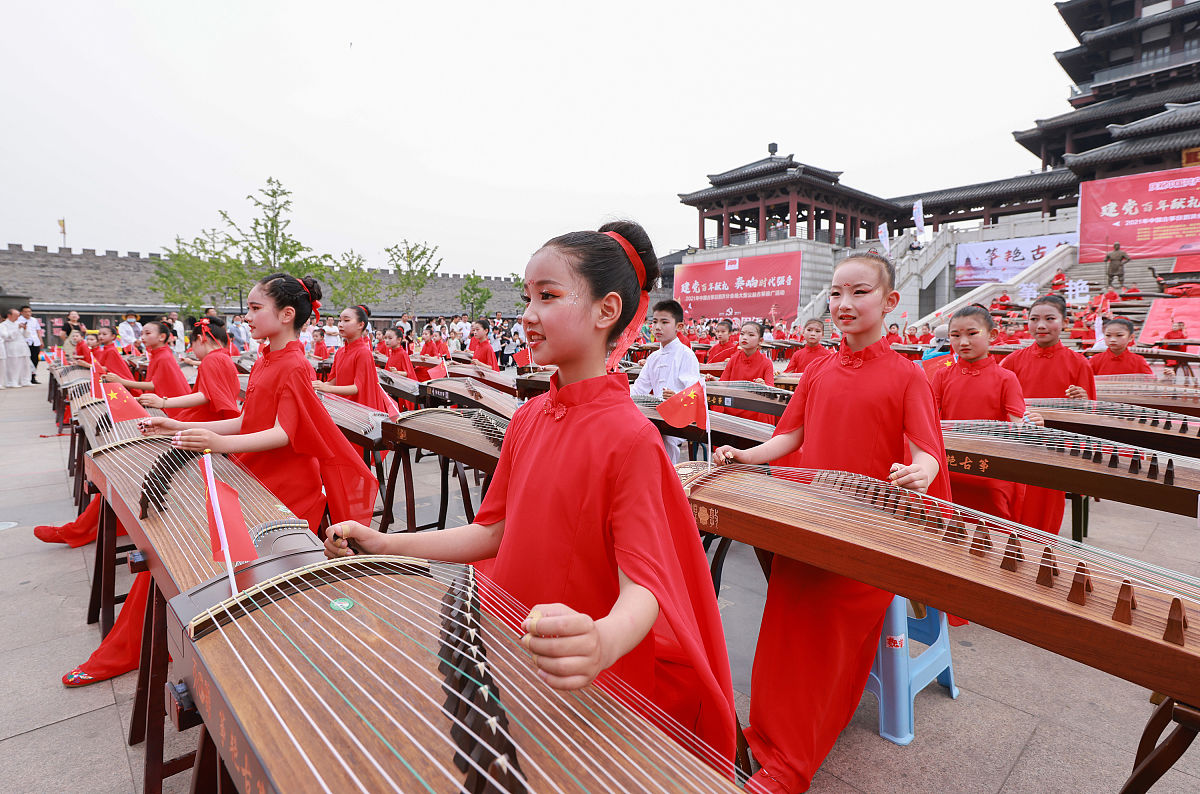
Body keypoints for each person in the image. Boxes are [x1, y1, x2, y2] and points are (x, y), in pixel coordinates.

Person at [325, 220, 736, 767]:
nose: (527, 313)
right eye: (527, 297)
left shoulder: (631, 437)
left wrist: (605, 640)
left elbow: (647, 585)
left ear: (606, 311)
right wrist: (382, 543)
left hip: (580, 673)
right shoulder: (528, 417)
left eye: (548, 296)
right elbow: (491, 532)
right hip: (509, 647)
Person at [711, 251, 949, 794]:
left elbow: (927, 452)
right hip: (814, 521)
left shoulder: (908, 375)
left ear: (890, 302)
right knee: (784, 621)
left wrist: (919, 471)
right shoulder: (817, 370)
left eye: (859, 293)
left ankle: (792, 760)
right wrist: (747, 457)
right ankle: (772, 736)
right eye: (836, 293)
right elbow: (791, 436)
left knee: (824, 626)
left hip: (867, 533)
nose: (844, 304)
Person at [1000, 294, 1096, 534]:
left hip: (1055, 445)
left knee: (1043, 505)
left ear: (1064, 322)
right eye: (1034, 319)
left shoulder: (1079, 363)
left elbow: (1091, 415)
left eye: (1049, 318)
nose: (1040, 325)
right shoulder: (1013, 360)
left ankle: (1040, 547)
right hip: (1017, 443)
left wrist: (1082, 401)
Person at [931, 305, 1029, 521]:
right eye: (955, 336)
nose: (963, 342)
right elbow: (930, 419)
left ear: (992, 335)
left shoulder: (1006, 378)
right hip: (950, 462)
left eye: (972, 334)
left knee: (993, 522)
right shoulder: (942, 376)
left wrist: (1030, 424)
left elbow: (1018, 425)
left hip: (991, 466)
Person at [630, 299, 702, 464]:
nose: (657, 327)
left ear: (679, 327)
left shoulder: (686, 354)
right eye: (654, 322)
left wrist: (678, 397)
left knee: (665, 438)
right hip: (658, 415)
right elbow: (639, 389)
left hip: (678, 415)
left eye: (664, 322)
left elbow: (694, 390)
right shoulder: (654, 357)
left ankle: (669, 478)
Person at [136, 317, 241, 423]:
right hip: (217, 421)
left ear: (200, 338)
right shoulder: (224, 357)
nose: (193, 350)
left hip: (207, 421)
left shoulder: (211, 359)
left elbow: (205, 396)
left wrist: (163, 402)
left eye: (192, 344)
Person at [313, 304, 398, 417]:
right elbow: (333, 381)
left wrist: (326, 387)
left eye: (346, 320)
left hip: (359, 411)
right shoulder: (340, 352)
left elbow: (357, 388)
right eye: (340, 320)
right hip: (343, 407)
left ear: (361, 325)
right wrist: (316, 385)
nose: (340, 324)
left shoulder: (363, 352)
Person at [101, 321, 190, 410]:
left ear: (162, 337)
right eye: (142, 334)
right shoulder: (158, 353)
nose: (142, 337)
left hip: (171, 406)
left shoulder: (163, 356)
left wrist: (121, 381)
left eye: (147, 333)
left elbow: (154, 385)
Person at [0, 309, 33, 387]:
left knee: (25, 365)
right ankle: (12, 381)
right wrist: (17, 329)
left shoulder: (18, 323)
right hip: (12, 347)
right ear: (9, 315)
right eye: (16, 316)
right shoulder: (3, 325)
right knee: (13, 366)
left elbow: (26, 335)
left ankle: (25, 380)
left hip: (22, 346)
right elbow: (7, 336)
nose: (17, 318)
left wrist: (25, 329)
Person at [21, 306, 43, 384]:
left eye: (29, 311)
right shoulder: (19, 320)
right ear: (22, 312)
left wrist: (41, 341)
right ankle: (25, 377)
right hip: (25, 342)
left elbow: (38, 331)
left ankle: (33, 377)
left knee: (35, 360)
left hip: (35, 342)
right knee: (26, 361)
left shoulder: (34, 320)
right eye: (26, 311)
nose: (28, 313)